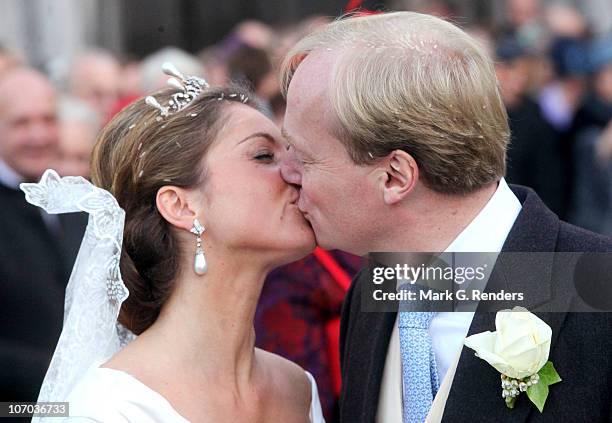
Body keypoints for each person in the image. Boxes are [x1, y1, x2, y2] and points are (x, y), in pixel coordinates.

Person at [279, 12, 612, 422]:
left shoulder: (601, 294)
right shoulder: (370, 295)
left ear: (395, 176)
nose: (286, 173)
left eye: (303, 156)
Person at [25, 64, 324, 422]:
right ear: (180, 205)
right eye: (263, 156)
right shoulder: (107, 409)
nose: (295, 171)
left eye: (290, 151)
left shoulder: (298, 387)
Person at [0, 68, 86, 405]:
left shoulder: (79, 200)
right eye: (22, 123)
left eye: (48, 120)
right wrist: (57, 378)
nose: (38, 135)